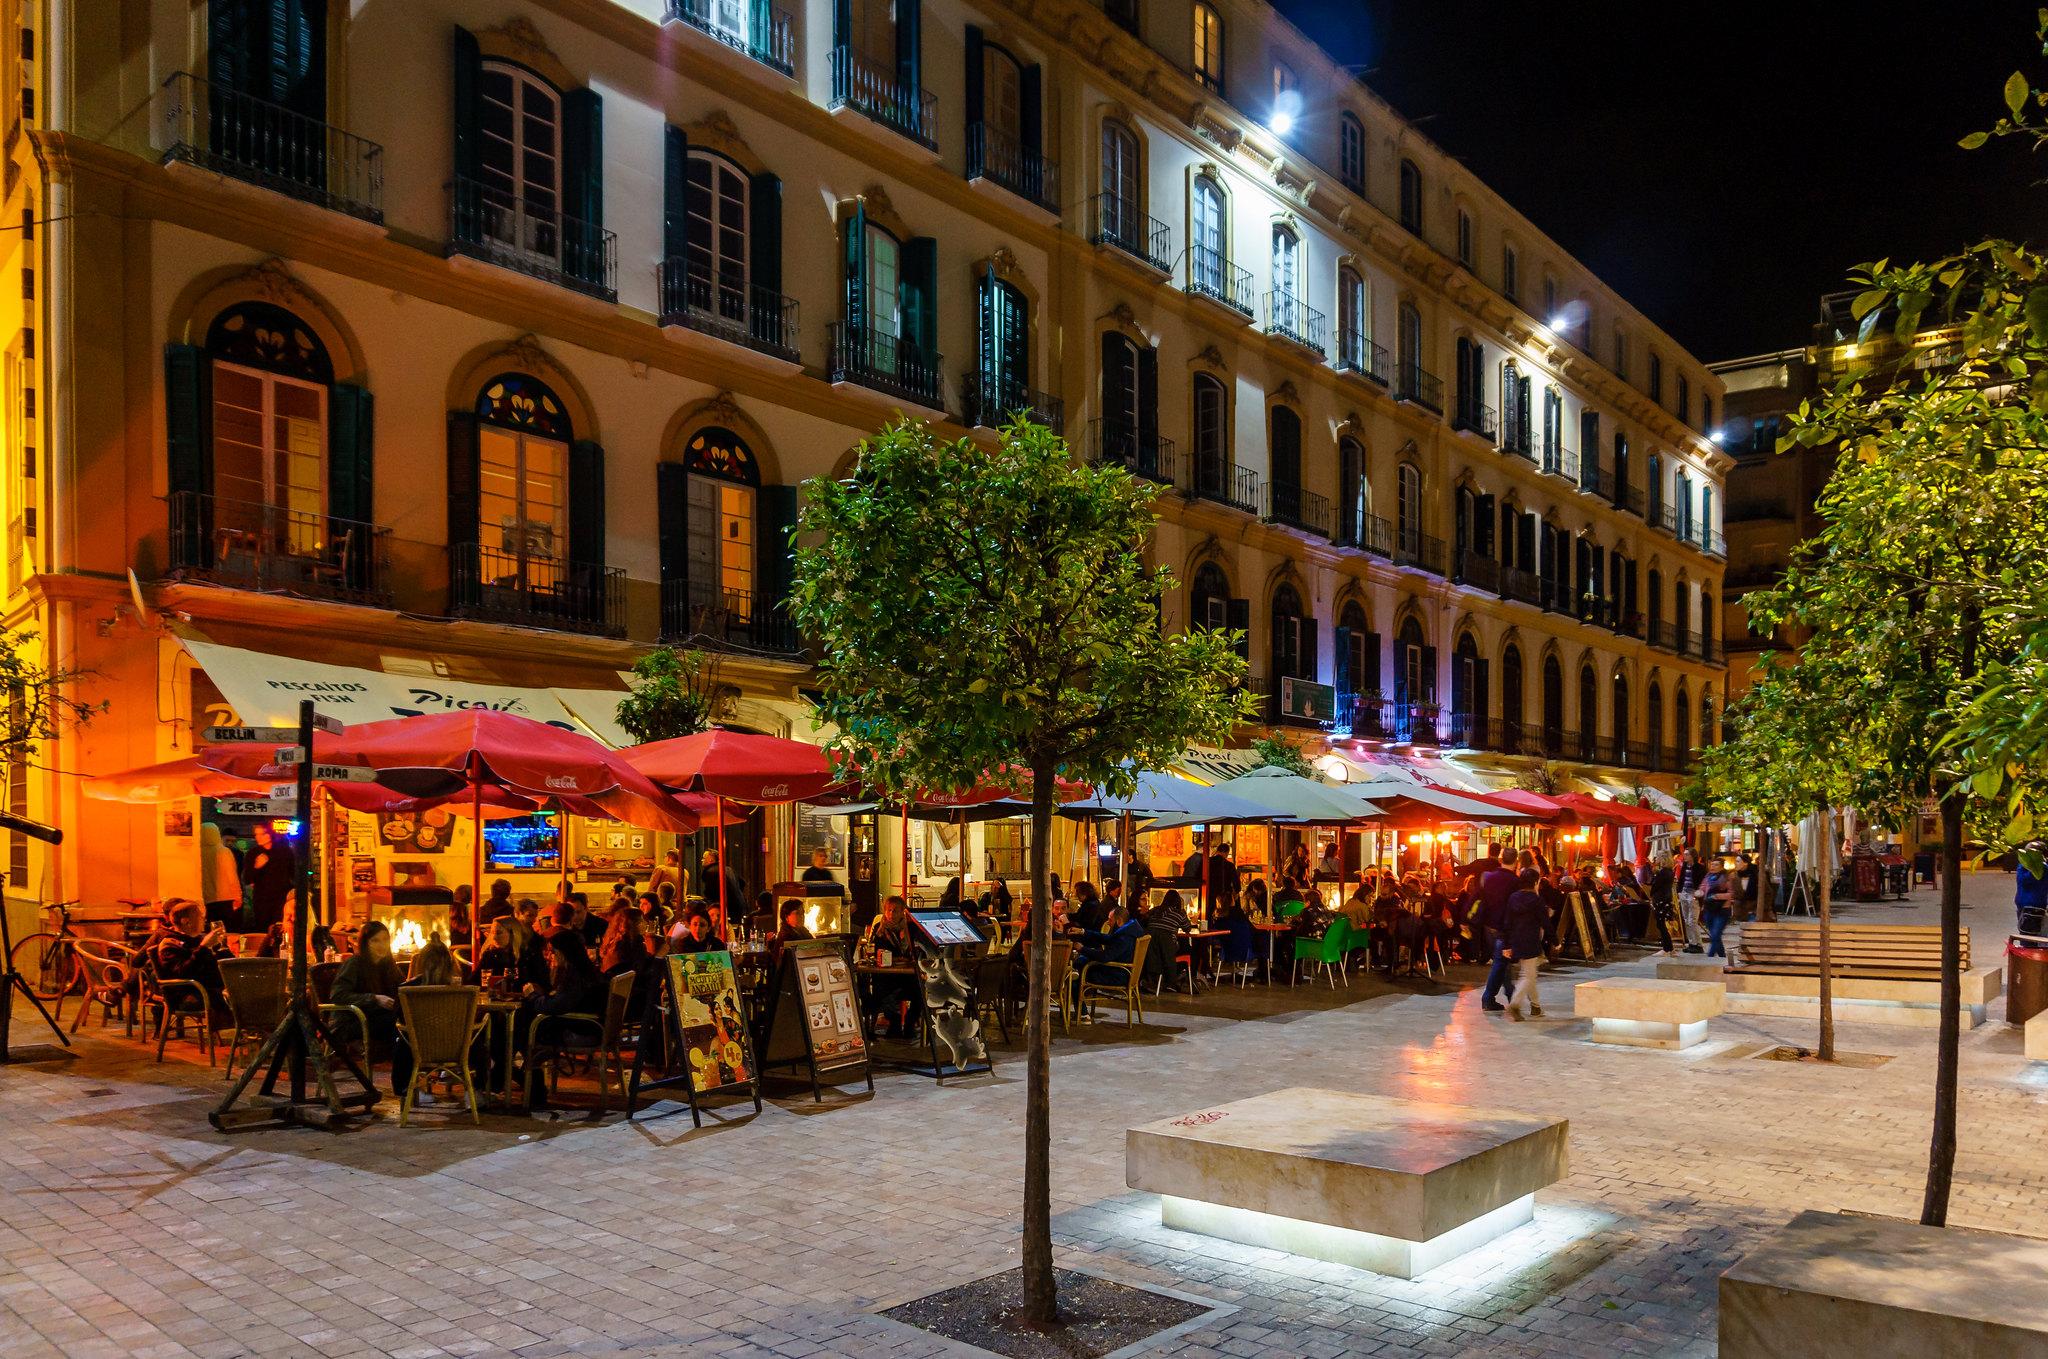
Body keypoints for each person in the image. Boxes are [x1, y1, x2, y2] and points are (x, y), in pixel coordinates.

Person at [514, 930, 608, 1106]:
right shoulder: (587, 971)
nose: (551, 956)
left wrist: (532, 996)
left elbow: (556, 1006)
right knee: (522, 1025)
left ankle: (527, 1084)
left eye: (554, 952)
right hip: (591, 1027)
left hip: (580, 1031)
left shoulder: (575, 975)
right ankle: (527, 1083)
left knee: (521, 1027)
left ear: (563, 953)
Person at [330, 920, 413, 1099]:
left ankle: (416, 1077)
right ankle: (403, 1085)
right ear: (365, 943)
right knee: (400, 1026)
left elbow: (402, 989)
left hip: (378, 1019)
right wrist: (374, 999)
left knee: (410, 1023)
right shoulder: (355, 963)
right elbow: (338, 994)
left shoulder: (388, 965)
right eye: (376, 940)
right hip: (353, 1021)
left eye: (385, 940)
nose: (382, 945)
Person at [143, 900, 233, 1014]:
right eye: (200, 917)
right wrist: (204, 947)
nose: (204, 920)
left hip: (211, 988)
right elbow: (183, 972)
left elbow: (223, 963)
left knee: (246, 990)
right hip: (190, 993)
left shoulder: (198, 939)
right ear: (186, 921)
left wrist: (222, 947)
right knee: (237, 998)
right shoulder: (170, 944)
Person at [863, 896, 920, 1038]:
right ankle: (894, 1023)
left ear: (902, 912)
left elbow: (915, 950)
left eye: (895, 911)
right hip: (887, 974)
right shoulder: (880, 929)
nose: (891, 914)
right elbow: (878, 951)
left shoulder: (910, 928)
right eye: (888, 910)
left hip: (907, 974)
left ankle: (909, 1023)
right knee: (884, 990)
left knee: (920, 992)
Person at [1501, 869, 1550, 1020]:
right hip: (1531, 940)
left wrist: (1506, 944)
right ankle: (1515, 1004)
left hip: (1516, 939)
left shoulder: (1513, 898)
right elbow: (1545, 922)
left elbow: (1507, 922)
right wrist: (1554, 941)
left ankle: (1535, 1006)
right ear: (1535, 882)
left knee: (1529, 973)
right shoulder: (1537, 900)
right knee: (1528, 975)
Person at [1476, 854, 1520, 1012]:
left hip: (1489, 925)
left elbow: (1478, 897)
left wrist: (1468, 918)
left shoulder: (1490, 877)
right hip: (1503, 927)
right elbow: (1514, 907)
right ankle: (1496, 997)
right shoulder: (1514, 881)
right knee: (1501, 961)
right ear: (1515, 862)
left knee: (1502, 961)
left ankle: (1504, 996)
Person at [246, 823, 296, 931]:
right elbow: (247, 878)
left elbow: (293, 873)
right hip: (262, 899)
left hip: (281, 897)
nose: (258, 837)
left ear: (270, 835)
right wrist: (257, 867)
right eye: (256, 834)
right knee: (263, 927)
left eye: (262, 834)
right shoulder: (253, 853)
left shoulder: (284, 852)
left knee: (280, 927)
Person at [199, 824, 243, 929]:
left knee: (209, 929)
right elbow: (232, 876)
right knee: (226, 928)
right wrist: (238, 896)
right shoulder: (224, 851)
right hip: (225, 898)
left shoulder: (198, 852)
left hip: (205, 899)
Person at [1076, 903, 1144, 970]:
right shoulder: (1129, 930)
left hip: (1117, 972)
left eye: (1110, 920)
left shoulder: (1125, 937)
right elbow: (1109, 939)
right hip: (1119, 968)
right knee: (1083, 959)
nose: (1108, 922)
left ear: (1119, 921)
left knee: (1081, 963)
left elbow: (1105, 957)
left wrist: (1082, 949)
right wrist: (1083, 932)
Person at [598, 901, 648, 977]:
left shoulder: (614, 940)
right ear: (632, 924)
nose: (644, 923)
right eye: (640, 921)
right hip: (625, 981)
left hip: (611, 979)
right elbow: (639, 971)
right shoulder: (632, 943)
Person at [1699, 859, 1733, 958]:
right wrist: (1699, 893)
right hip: (1709, 909)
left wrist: (1716, 896)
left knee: (1716, 934)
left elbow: (1731, 894)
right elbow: (1702, 888)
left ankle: (1710, 956)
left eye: (1716, 865)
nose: (1713, 866)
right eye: (1712, 864)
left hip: (1722, 909)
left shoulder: (1726, 878)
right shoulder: (1708, 877)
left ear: (1721, 867)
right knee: (1715, 936)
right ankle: (1722, 956)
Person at [2020, 848, 2048, 934]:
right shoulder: (2042, 868)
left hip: (2031, 904)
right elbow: (2025, 881)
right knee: (2029, 931)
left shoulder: (2022, 866)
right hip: (2034, 904)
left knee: (2028, 931)